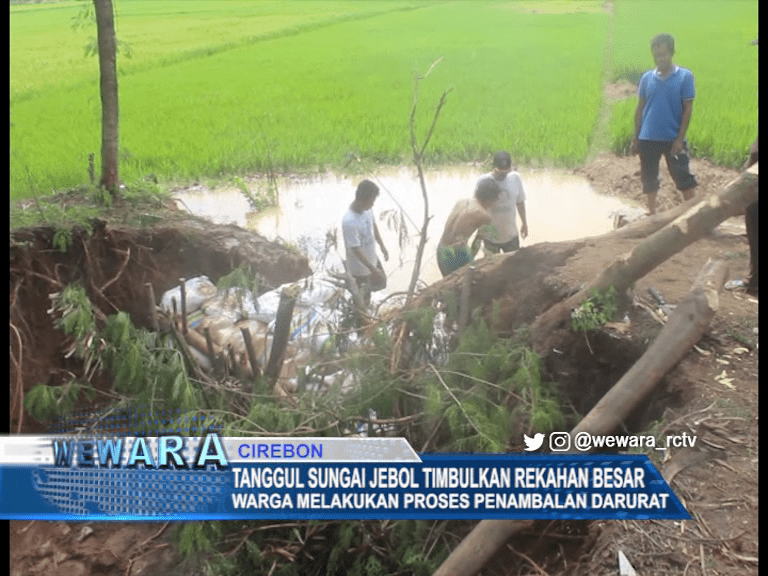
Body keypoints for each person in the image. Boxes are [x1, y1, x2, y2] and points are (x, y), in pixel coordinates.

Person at [630, 33, 697, 215]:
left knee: (683, 177)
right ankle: (652, 214)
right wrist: (636, 138)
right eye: (657, 54)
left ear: (671, 52)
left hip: (672, 138)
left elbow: (687, 109)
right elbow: (640, 109)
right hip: (647, 137)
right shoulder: (646, 79)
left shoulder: (684, 76)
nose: (660, 57)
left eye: (664, 53)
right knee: (649, 178)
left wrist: (679, 139)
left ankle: (695, 215)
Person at [437, 176, 501, 277]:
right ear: (490, 198)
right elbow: (477, 243)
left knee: (448, 283)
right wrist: (470, 262)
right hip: (456, 254)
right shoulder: (483, 215)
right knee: (467, 285)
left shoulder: (461, 202)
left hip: (441, 250)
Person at [341, 179, 389, 304]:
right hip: (360, 270)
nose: (373, 205)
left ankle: (367, 303)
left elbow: (373, 225)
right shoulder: (349, 221)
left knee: (381, 283)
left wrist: (382, 246)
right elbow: (356, 250)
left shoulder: (367, 209)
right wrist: (373, 270)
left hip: (372, 259)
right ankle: (362, 315)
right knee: (363, 299)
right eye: (371, 201)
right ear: (363, 200)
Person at [477, 150, 528, 254]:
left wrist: (524, 223)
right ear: (493, 166)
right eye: (500, 170)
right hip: (490, 238)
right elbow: (477, 207)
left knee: (513, 267)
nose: (503, 173)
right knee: (491, 267)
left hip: (511, 236)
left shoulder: (515, 178)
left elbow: (520, 202)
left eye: (506, 170)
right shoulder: (484, 181)